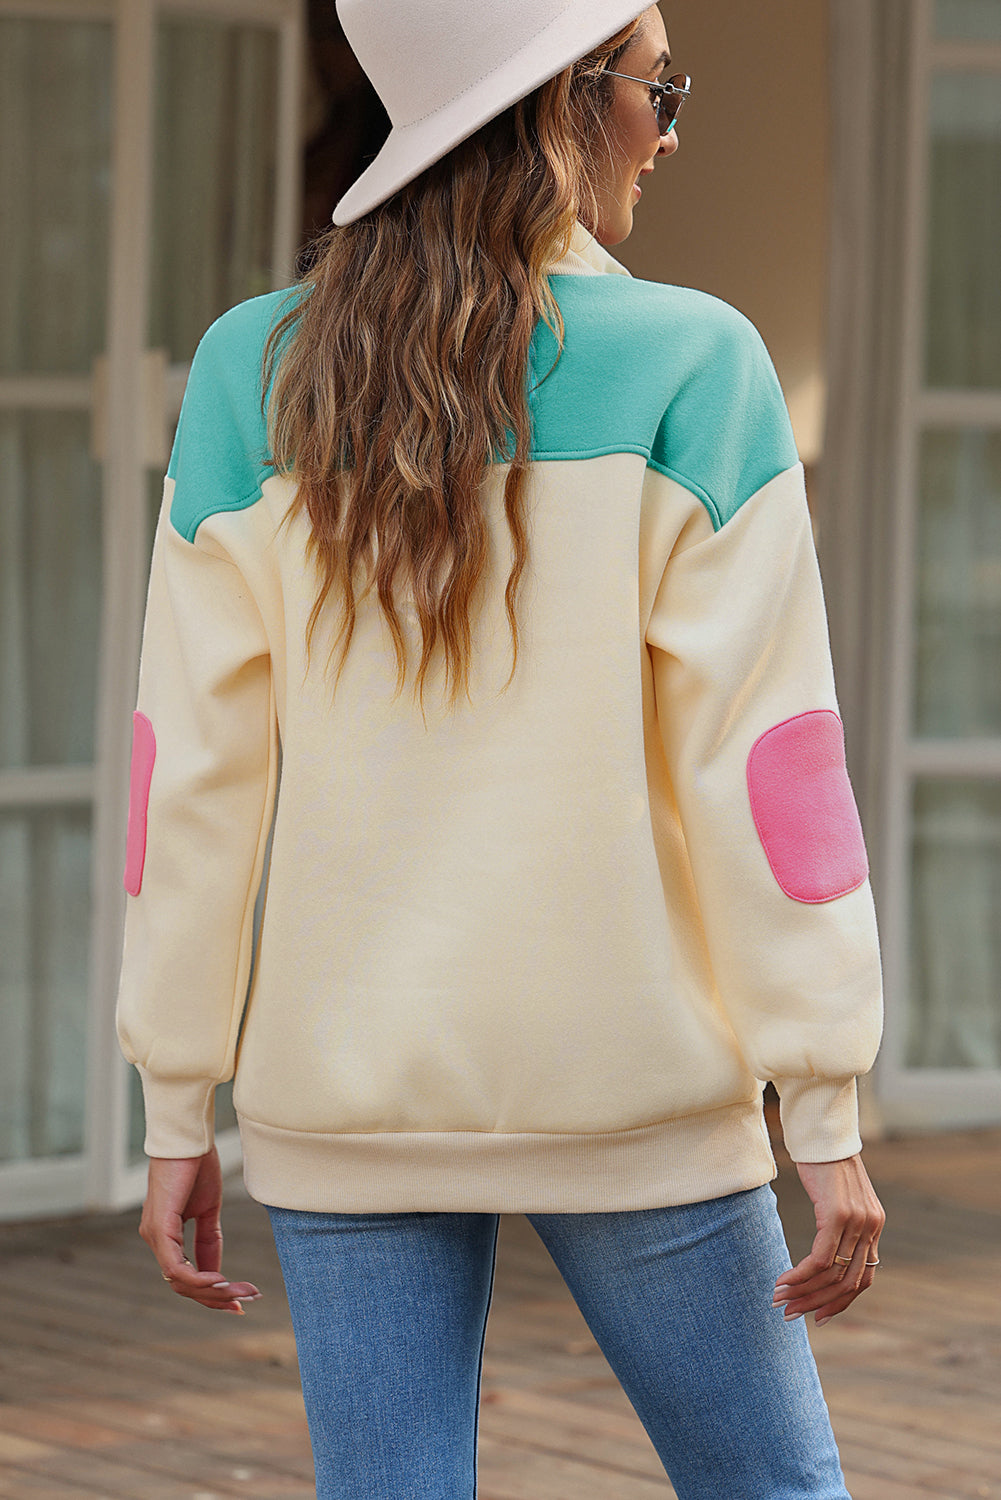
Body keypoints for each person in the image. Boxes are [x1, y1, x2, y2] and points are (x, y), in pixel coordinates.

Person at [116, 2, 886, 1496]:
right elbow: (772, 775)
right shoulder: (694, 366)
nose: (667, 132)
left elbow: (187, 783)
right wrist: (825, 1099)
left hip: (344, 1099)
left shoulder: (247, 375)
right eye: (660, 90)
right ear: (563, 103)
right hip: (636, 1093)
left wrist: (173, 1101)